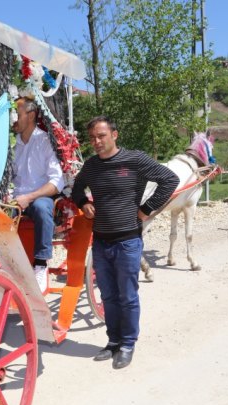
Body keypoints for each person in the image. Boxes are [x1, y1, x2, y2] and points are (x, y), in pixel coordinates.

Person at [71, 116, 179, 370]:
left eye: (101, 136)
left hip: (127, 241)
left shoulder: (134, 160)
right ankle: (113, 341)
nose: (96, 142)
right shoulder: (92, 166)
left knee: (127, 296)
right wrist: (83, 203)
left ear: (114, 135)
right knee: (108, 295)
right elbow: (77, 188)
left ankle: (128, 343)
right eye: (93, 138)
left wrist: (146, 209)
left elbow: (169, 180)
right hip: (100, 242)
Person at [12, 97, 64, 293]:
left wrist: (29, 197)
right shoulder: (11, 143)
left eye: (17, 114)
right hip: (15, 199)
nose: (13, 119)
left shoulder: (45, 141)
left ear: (31, 115)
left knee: (42, 208)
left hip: (38, 197)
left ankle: (41, 264)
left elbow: (56, 182)